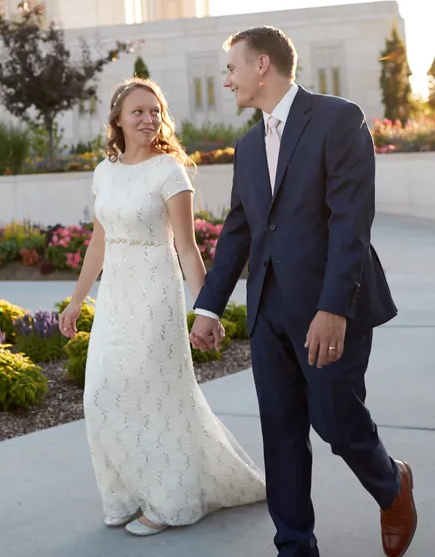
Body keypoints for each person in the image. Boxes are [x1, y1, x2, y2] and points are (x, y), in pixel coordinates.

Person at [189, 26, 418, 557]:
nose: (227, 81)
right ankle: (294, 547)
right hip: (269, 313)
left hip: (328, 308)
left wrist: (333, 307)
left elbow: (351, 223)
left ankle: (391, 483)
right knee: (282, 435)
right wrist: (208, 307)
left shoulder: (339, 119)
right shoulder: (247, 147)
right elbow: (239, 232)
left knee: (338, 424)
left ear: (262, 65)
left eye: (232, 69)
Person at [59, 77, 266, 537]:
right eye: (138, 111)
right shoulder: (104, 172)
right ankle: (125, 493)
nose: (149, 118)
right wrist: (77, 301)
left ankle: (173, 501)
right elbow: (99, 242)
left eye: (155, 111)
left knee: (156, 393)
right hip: (116, 296)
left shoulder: (170, 171)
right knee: (101, 395)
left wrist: (205, 310)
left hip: (156, 293)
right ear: (117, 119)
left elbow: (188, 249)